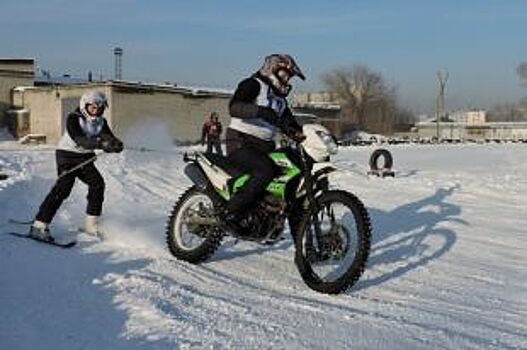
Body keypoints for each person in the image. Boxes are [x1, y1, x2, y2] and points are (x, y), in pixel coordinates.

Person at [222, 54, 305, 231]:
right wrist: (259, 111)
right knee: (265, 170)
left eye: (289, 77)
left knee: (295, 168)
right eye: (284, 75)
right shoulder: (253, 84)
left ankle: (299, 232)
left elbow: (292, 126)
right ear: (272, 69)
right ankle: (230, 211)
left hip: (264, 147)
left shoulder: (280, 101)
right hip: (240, 142)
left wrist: (308, 135)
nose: (286, 80)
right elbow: (234, 107)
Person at [29, 90, 123, 242]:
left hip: (84, 157)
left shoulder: (101, 122)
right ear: (84, 105)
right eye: (93, 107)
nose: (96, 111)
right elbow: (80, 139)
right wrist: (101, 144)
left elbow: (108, 137)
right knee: (63, 189)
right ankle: (39, 225)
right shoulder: (74, 118)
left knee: (97, 184)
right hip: (66, 155)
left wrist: (115, 144)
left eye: (99, 108)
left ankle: (91, 226)